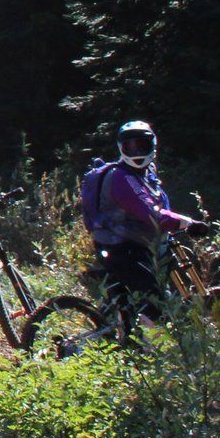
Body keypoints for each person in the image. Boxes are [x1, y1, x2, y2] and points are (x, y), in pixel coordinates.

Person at [78, 120, 199, 326]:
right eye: (130, 146)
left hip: (128, 244)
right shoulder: (122, 178)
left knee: (134, 299)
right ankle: (151, 353)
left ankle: (126, 335)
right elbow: (154, 214)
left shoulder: (143, 175)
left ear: (152, 145)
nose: (136, 152)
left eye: (141, 145)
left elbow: (158, 206)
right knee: (153, 301)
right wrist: (189, 223)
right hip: (123, 248)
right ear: (121, 148)